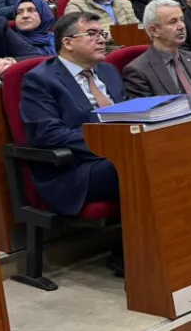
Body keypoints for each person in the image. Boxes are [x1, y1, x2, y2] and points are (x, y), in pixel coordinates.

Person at [19, 13, 124, 221]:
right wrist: (111, 143)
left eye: (102, 33)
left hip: (122, 151)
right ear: (68, 42)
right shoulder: (39, 80)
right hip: (76, 168)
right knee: (136, 165)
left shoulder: (109, 71)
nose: (102, 39)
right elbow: (49, 134)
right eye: (92, 34)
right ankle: (132, 249)